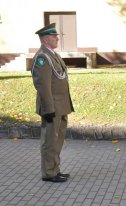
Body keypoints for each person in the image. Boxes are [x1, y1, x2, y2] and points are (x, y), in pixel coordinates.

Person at [31, 23, 74, 183]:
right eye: (54, 36)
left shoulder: (52, 54)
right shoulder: (42, 57)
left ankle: (55, 169)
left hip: (60, 106)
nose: (57, 38)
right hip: (52, 108)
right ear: (46, 40)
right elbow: (43, 86)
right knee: (49, 141)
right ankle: (48, 173)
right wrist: (48, 109)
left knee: (58, 140)